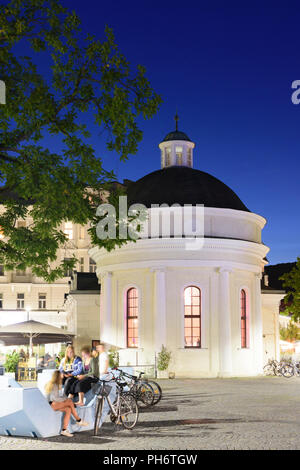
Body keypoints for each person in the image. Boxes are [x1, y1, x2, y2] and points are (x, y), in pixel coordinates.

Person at [45, 370, 88, 437]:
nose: (63, 375)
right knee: (70, 402)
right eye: (61, 374)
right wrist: (65, 399)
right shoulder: (54, 385)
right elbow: (54, 398)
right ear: (58, 376)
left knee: (68, 409)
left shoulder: (54, 383)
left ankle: (64, 430)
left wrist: (65, 398)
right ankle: (78, 420)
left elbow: (58, 397)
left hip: (53, 403)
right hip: (51, 404)